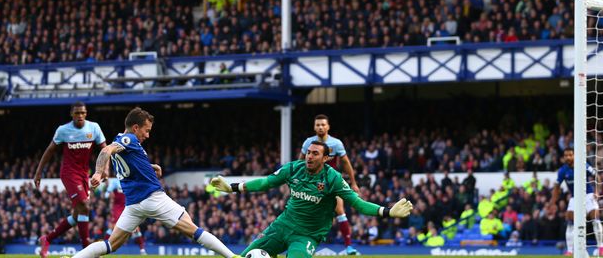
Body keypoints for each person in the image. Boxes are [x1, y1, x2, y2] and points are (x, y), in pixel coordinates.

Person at [72, 107, 237, 258]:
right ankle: (233, 257)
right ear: (135, 127)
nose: (148, 135)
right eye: (146, 130)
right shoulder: (128, 139)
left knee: (110, 245)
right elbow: (105, 150)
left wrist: (151, 167)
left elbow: (130, 164)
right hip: (152, 198)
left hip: (133, 205)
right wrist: (99, 172)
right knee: (192, 229)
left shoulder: (121, 140)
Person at [209, 141, 413, 258]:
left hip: (306, 236)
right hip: (281, 227)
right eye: (308, 152)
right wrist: (232, 187)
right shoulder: (293, 168)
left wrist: (387, 211)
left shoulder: (333, 178)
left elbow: (358, 204)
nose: (309, 156)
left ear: (326, 159)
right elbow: (265, 183)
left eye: (315, 153)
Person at [34, 102, 107, 257]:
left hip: (83, 175)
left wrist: (104, 169)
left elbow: (105, 150)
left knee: (77, 215)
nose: (80, 116)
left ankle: (47, 239)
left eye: (82, 113)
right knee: (85, 207)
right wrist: (39, 172)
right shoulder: (63, 130)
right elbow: (49, 150)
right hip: (69, 173)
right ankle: (86, 247)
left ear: (86, 113)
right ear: (71, 114)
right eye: (77, 113)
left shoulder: (94, 128)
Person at [299, 114, 360, 254]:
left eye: (323, 124)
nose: (320, 127)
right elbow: (300, 162)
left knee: (340, 210)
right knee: (309, 212)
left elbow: (346, 163)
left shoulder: (336, 143)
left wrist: (354, 183)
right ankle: (306, 245)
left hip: (332, 182)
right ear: (314, 127)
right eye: (318, 125)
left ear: (328, 127)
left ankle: (349, 247)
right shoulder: (309, 142)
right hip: (312, 183)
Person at [551, 147, 603, 256]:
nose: (568, 157)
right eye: (566, 155)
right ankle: (570, 250)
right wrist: (553, 202)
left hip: (588, 195)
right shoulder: (562, 171)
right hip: (575, 197)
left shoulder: (583, 165)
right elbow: (556, 187)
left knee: (595, 219)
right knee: (569, 221)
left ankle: (601, 247)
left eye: (570, 155)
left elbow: (597, 177)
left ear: (574, 155)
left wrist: (597, 192)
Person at [103, 176, 146, 254]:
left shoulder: (130, 180)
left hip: (128, 206)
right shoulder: (115, 182)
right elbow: (106, 194)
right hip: (117, 208)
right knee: (113, 227)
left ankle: (142, 249)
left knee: (136, 228)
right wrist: (110, 194)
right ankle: (103, 248)